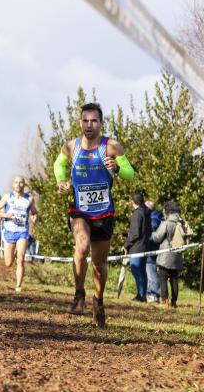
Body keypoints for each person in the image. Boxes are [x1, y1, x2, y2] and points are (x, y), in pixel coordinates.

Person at [54, 102, 135, 327]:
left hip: (104, 211)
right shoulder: (72, 146)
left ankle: (98, 301)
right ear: (80, 122)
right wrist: (61, 181)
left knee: (99, 264)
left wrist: (118, 168)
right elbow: (58, 165)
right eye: (85, 121)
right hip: (78, 208)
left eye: (94, 121)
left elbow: (131, 173)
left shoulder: (112, 147)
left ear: (100, 123)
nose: (89, 125)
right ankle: (79, 293)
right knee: (81, 247)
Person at [0, 176, 38, 292]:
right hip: (9, 231)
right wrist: (5, 215)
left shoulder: (29, 199)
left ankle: (18, 286)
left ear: (24, 185)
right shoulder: (7, 197)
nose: (18, 184)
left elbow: (34, 212)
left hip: (22, 231)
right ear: (13, 184)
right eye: (16, 182)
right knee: (8, 263)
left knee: (21, 257)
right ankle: (12, 253)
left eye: (21, 182)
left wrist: (34, 218)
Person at [150, 201, 191, 308]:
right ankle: (174, 302)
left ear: (167, 211)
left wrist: (151, 234)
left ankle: (164, 301)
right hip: (177, 255)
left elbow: (157, 237)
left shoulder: (166, 223)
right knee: (174, 279)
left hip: (165, 255)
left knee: (163, 278)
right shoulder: (182, 222)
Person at [124, 192, 152, 302]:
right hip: (144, 245)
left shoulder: (137, 213)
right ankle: (143, 294)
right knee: (142, 271)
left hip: (136, 247)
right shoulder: (147, 212)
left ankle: (140, 295)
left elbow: (135, 233)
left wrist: (126, 244)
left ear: (134, 202)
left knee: (136, 270)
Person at [145, 200, 163, 303]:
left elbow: (153, 235)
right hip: (153, 249)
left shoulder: (153, 220)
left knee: (151, 273)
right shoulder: (157, 217)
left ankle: (154, 295)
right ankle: (150, 294)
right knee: (149, 272)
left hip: (152, 249)